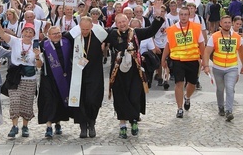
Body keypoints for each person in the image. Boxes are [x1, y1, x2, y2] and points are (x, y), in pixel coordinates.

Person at [107, 10, 165, 139]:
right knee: (120, 97)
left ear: (128, 21)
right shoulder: (111, 34)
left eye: (124, 21)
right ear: (116, 23)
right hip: (118, 70)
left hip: (135, 69)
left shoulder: (136, 33)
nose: (122, 24)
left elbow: (151, 30)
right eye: (119, 22)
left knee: (134, 95)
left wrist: (158, 16)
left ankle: (134, 121)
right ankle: (122, 125)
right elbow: (95, 32)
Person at [63, 16, 108, 138]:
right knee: (80, 99)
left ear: (91, 27)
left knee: (93, 99)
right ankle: (83, 126)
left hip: (94, 73)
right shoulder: (74, 36)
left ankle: (92, 123)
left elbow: (113, 37)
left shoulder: (98, 35)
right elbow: (59, 37)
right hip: (79, 73)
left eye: (87, 29)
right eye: (82, 29)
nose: (84, 32)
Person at [0, 19, 40, 138]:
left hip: (29, 78)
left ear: (33, 34)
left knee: (27, 103)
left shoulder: (36, 46)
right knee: (14, 101)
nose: (28, 34)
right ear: (22, 32)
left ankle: (25, 126)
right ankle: (14, 126)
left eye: (31, 32)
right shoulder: (15, 41)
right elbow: (2, 34)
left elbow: (39, 65)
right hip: (15, 76)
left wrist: (37, 56)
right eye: (26, 31)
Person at [161, 7, 205, 118]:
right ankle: (179, 108)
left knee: (192, 83)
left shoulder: (195, 27)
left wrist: (204, 59)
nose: (183, 16)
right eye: (181, 14)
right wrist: (163, 59)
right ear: (179, 15)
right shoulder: (172, 29)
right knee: (179, 83)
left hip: (193, 59)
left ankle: (187, 97)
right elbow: (168, 45)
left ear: (189, 15)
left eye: (186, 14)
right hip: (178, 60)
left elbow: (201, 44)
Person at [202, 15, 243, 121]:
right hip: (218, 68)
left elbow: (241, 52)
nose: (227, 24)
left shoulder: (238, 38)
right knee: (220, 89)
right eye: (225, 22)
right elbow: (207, 52)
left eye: (229, 22)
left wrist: (242, 65)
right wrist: (206, 65)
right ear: (220, 23)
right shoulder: (214, 37)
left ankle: (229, 111)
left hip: (232, 67)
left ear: (232, 23)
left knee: (230, 88)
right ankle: (221, 107)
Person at [38, 26, 73, 138]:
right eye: (54, 34)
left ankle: (57, 123)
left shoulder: (67, 43)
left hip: (64, 77)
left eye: (58, 33)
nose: (57, 35)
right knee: (49, 101)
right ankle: (49, 126)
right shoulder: (44, 45)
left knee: (59, 100)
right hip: (48, 78)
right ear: (49, 35)